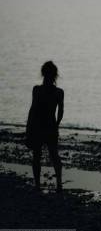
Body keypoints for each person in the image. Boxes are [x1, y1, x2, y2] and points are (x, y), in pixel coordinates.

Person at [26, 61, 64, 192]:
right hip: (50, 126)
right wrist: (57, 124)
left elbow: (33, 110)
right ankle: (59, 184)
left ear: (43, 73)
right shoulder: (59, 92)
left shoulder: (37, 90)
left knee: (37, 155)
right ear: (55, 75)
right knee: (54, 155)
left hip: (37, 125)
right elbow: (61, 111)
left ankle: (37, 184)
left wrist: (28, 128)